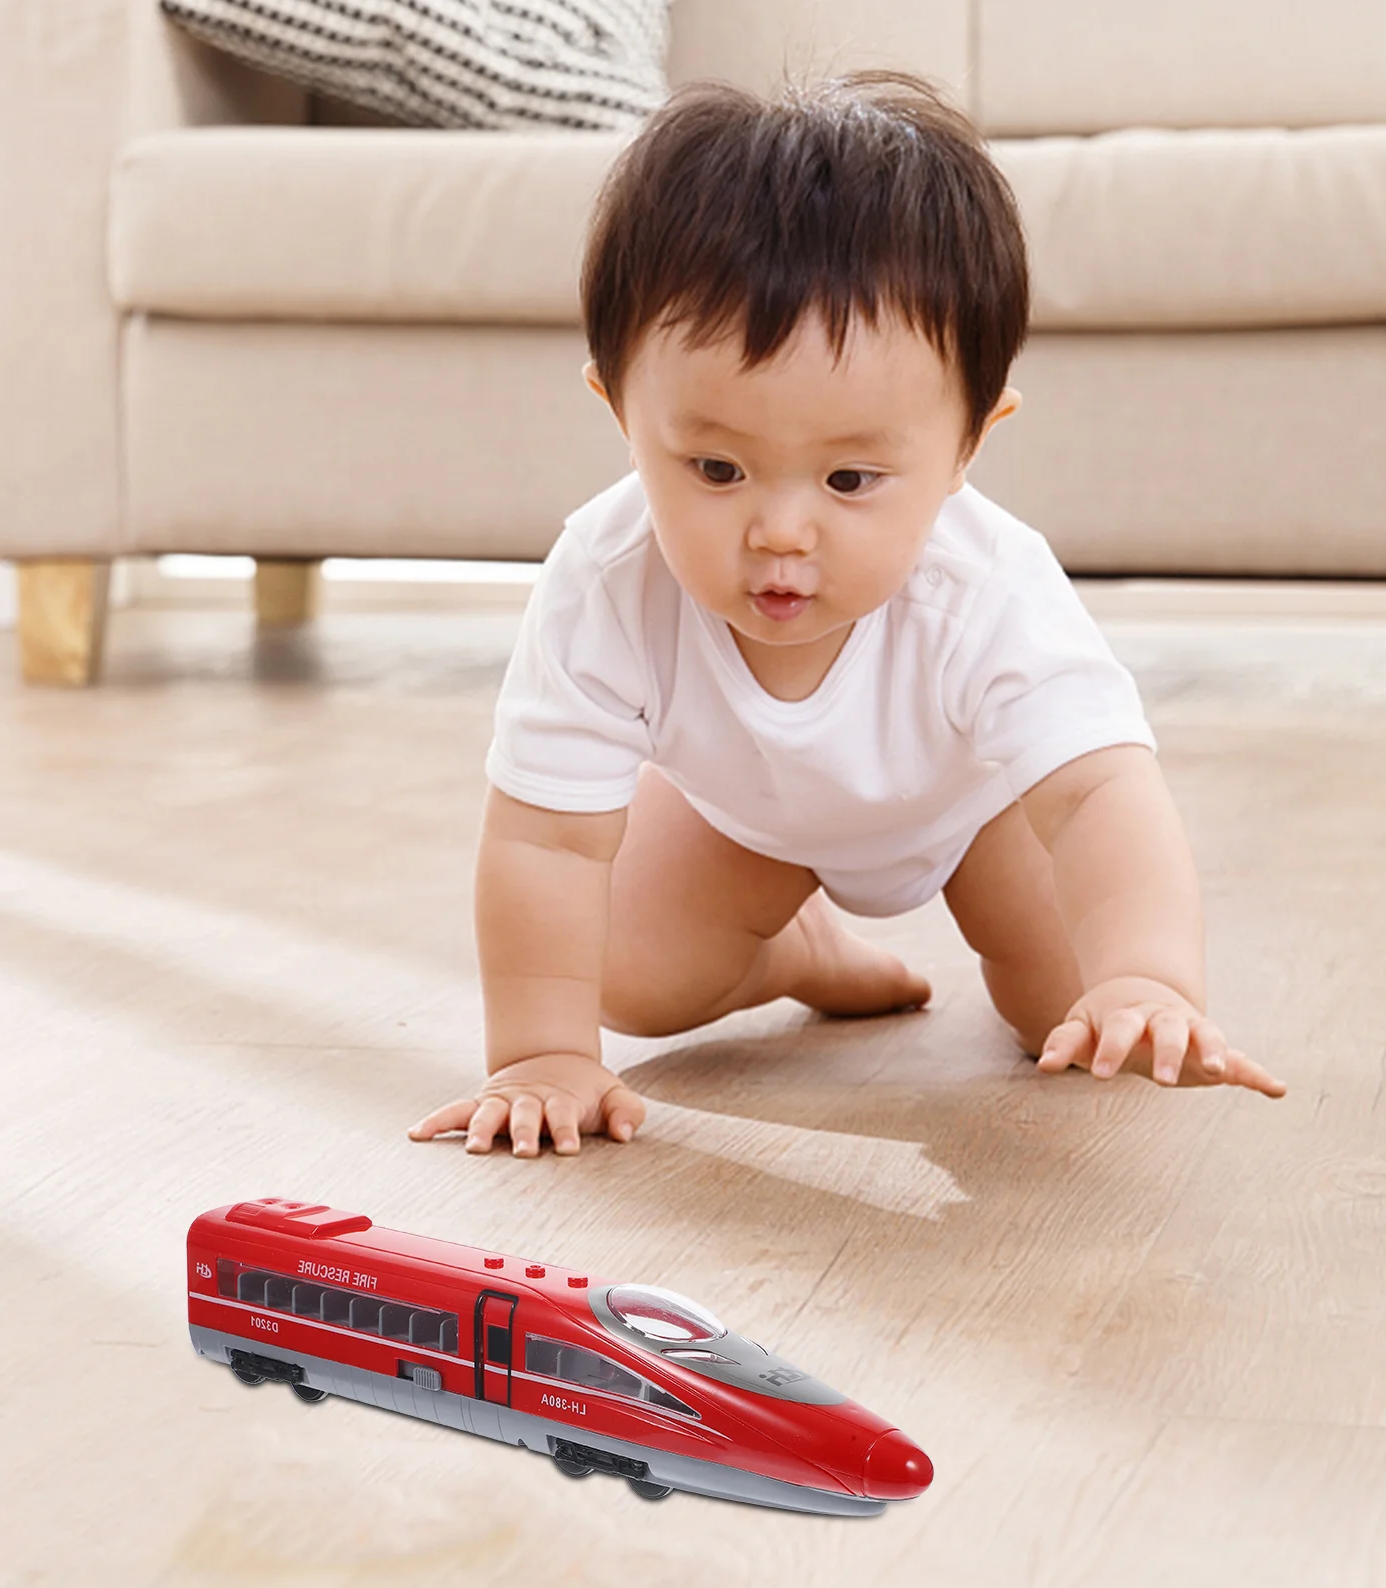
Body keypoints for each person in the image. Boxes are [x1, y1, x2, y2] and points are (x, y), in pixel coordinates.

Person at [409, 71, 1285, 1159]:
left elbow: (1100, 789)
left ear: (969, 442)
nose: (781, 531)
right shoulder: (607, 574)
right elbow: (545, 837)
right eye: (716, 467)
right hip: (743, 823)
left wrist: (1148, 975)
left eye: (850, 480)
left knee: (1066, 1005)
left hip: (977, 813)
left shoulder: (986, 588)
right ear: (618, 409)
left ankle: (1055, 966)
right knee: (623, 972)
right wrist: (539, 1052)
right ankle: (793, 957)